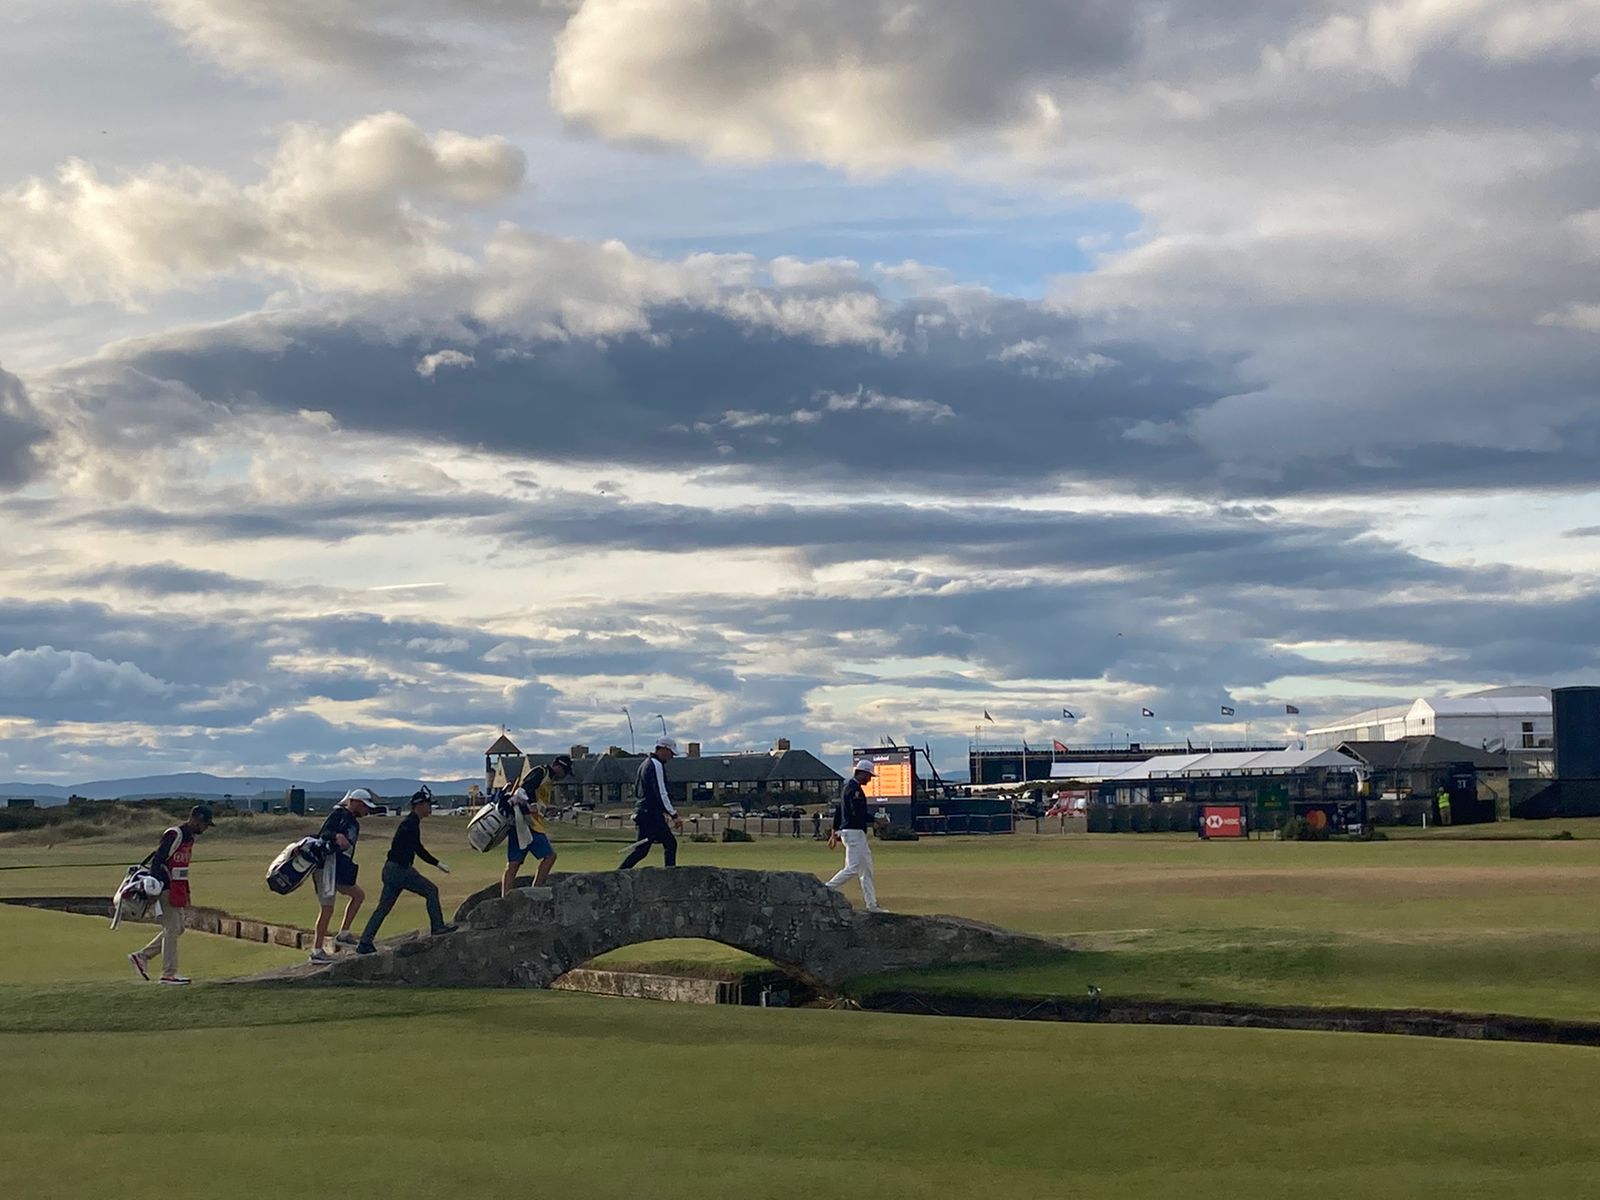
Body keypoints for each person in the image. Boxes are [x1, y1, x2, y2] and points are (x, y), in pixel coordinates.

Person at [356, 789, 455, 953]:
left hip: (391, 869)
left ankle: (365, 942)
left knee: (383, 908)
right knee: (431, 890)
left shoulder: (411, 822)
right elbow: (417, 849)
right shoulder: (410, 824)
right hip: (399, 870)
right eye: (428, 805)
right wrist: (435, 863)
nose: (430, 808)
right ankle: (437, 927)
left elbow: (415, 848)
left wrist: (435, 863)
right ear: (419, 805)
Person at [127, 804, 214, 985]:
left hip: (177, 888)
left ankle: (141, 956)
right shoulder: (175, 834)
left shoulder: (189, 839)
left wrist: (187, 891)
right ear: (196, 819)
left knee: (178, 928)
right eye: (204, 823)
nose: (205, 828)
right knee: (173, 928)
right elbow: (158, 860)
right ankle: (168, 974)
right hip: (165, 887)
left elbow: (181, 869)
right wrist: (154, 886)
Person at [309, 788, 377, 963]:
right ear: (354, 802)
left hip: (340, 868)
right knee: (327, 908)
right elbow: (324, 833)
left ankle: (344, 933)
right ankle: (316, 950)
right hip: (326, 867)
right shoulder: (339, 814)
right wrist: (337, 835)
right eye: (363, 806)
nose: (366, 810)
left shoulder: (354, 822)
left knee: (358, 895)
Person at [502, 754, 573, 895]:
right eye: (565, 772)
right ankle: (535, 891)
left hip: (524, 823)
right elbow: (522, 791)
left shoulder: (547, 777)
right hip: (528, 823)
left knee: (514, 863)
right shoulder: (541, 772)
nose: (564, 776)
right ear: (560, 767)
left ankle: (505, 897)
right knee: (549, 857)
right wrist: (529, 807)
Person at [826, 759, 883, 913]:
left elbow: (839, 811)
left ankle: (872, 904)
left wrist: (833, 832)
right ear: (862, 773)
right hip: (854, 832)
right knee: (853, 868)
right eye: (868, 776)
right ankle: (825, 889)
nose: (869, 779)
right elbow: (857, 813)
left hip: (854, 832)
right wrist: (876, 819)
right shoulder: (854, 790)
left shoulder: (847, 788)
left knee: (866, 869)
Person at [620, 737, 682, 869]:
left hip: (643, 812)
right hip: (651, 814)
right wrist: (674, 815)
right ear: (663, 749)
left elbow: (638, 789)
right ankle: (670, 875)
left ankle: (619, 873)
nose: (671, 757)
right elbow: (661, 792)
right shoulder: (656, 765)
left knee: (642, 850)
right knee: (670, 844)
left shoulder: (645, 764)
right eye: (671, 753)